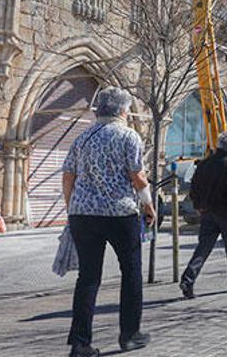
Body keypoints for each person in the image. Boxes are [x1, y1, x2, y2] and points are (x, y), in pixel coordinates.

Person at [62, 87, 155, 357]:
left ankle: (80, 343)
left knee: (88, 277)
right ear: (123, 111)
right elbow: (138, 177)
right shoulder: (128, 136)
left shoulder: (81, 138)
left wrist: (73, 208)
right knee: (131, 272)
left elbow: (68, 176)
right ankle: (130, 334)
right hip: (119, 214)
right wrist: (149, 207)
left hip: (83, 215)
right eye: (127, 110)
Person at [179, 132, 227, 298]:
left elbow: (194, 187)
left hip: (207, 213)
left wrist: (198, 205)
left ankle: (188, 279)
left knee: (203, 248)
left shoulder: (204, 164)